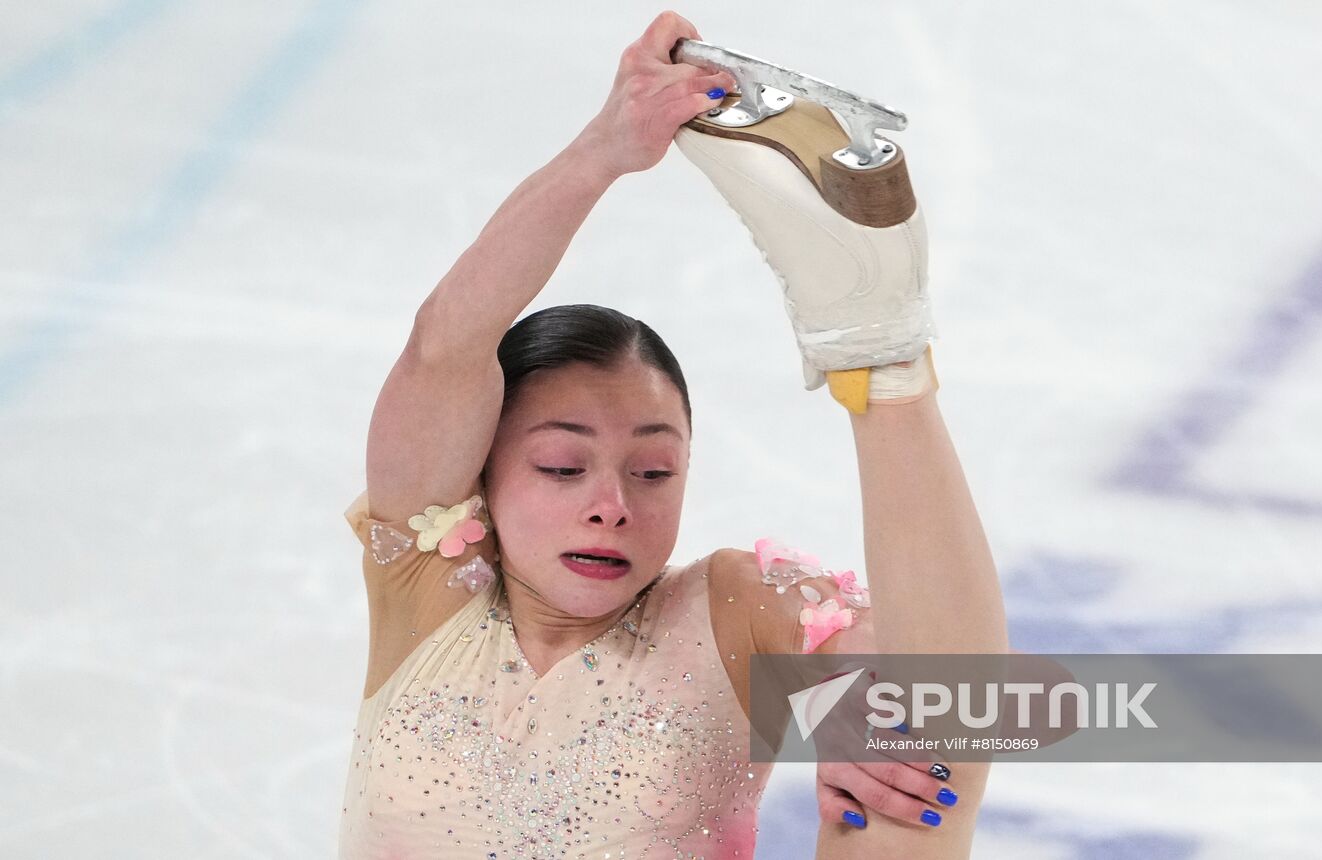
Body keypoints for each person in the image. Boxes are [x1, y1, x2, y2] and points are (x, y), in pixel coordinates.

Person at [337, 11, 1008, 859]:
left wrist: (878, 723)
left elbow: (964, 703)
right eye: (561, 466)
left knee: (926, 744)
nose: (611, 506)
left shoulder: (732, 612)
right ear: (485, 473)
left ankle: (879, 347)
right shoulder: (431, 583)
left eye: (653, 472)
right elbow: (444, 350)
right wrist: (603, 150)